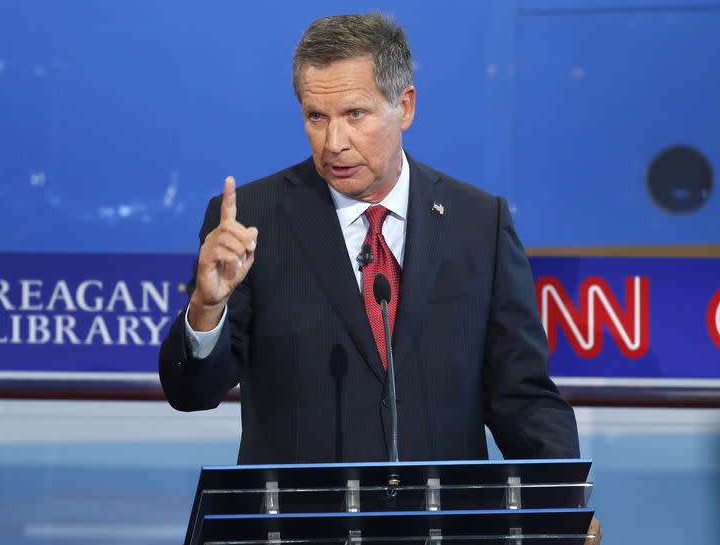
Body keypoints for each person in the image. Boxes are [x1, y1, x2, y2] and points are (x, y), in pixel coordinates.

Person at [159, 13, 600, 543]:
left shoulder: (477, 223)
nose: (334, 141)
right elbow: (190, 392)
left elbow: (521, 396)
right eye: (316, 116)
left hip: (444, 528)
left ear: (405, 106)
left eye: (355, 114)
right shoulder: (253, 220)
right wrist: (206, 308)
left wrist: (560, 505)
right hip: (297, 530)